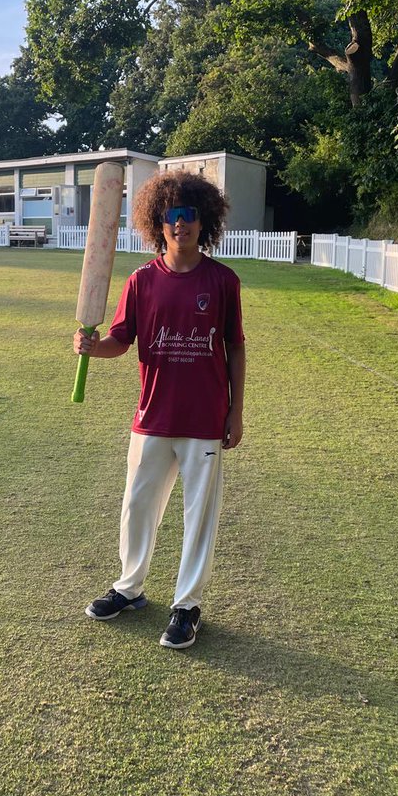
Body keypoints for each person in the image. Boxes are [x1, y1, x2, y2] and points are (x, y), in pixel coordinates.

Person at [73, 170, 246, 649]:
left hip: (205, 420)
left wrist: (235, 413)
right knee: (137, 506)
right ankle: (129, 589)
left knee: (199, 516)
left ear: (203, 221)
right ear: (158, 222)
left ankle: (187, 605)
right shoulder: (141, 281)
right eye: (172, 216)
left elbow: (235, 348)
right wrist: (92, 347)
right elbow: (120, 342)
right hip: (151, 418)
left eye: (190, 215)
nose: (181, 224)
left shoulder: (223, 281)